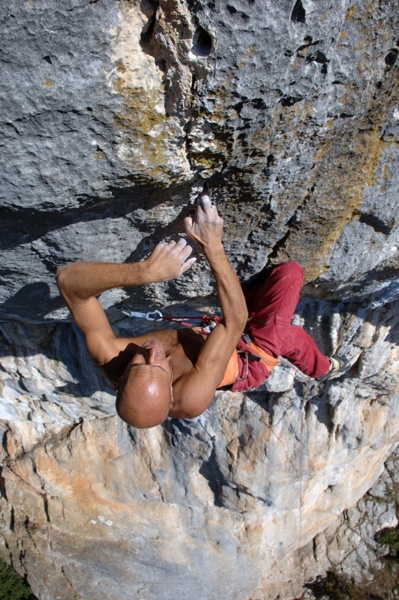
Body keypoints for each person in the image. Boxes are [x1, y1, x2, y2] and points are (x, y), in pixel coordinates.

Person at [57, 193, 338, 429]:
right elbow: (234, 322)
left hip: (218, 334)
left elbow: (69, 283)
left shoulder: (111, 356)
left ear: (120, 380)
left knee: (265, 304)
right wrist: (211, 244)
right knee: (289, 277)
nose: (151, 351)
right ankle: (322, 369)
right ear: (170, 392)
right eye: (158, 367)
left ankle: (301, 352)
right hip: (248, 357)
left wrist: (144, 272)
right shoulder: (191, 397)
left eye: (139, 364)